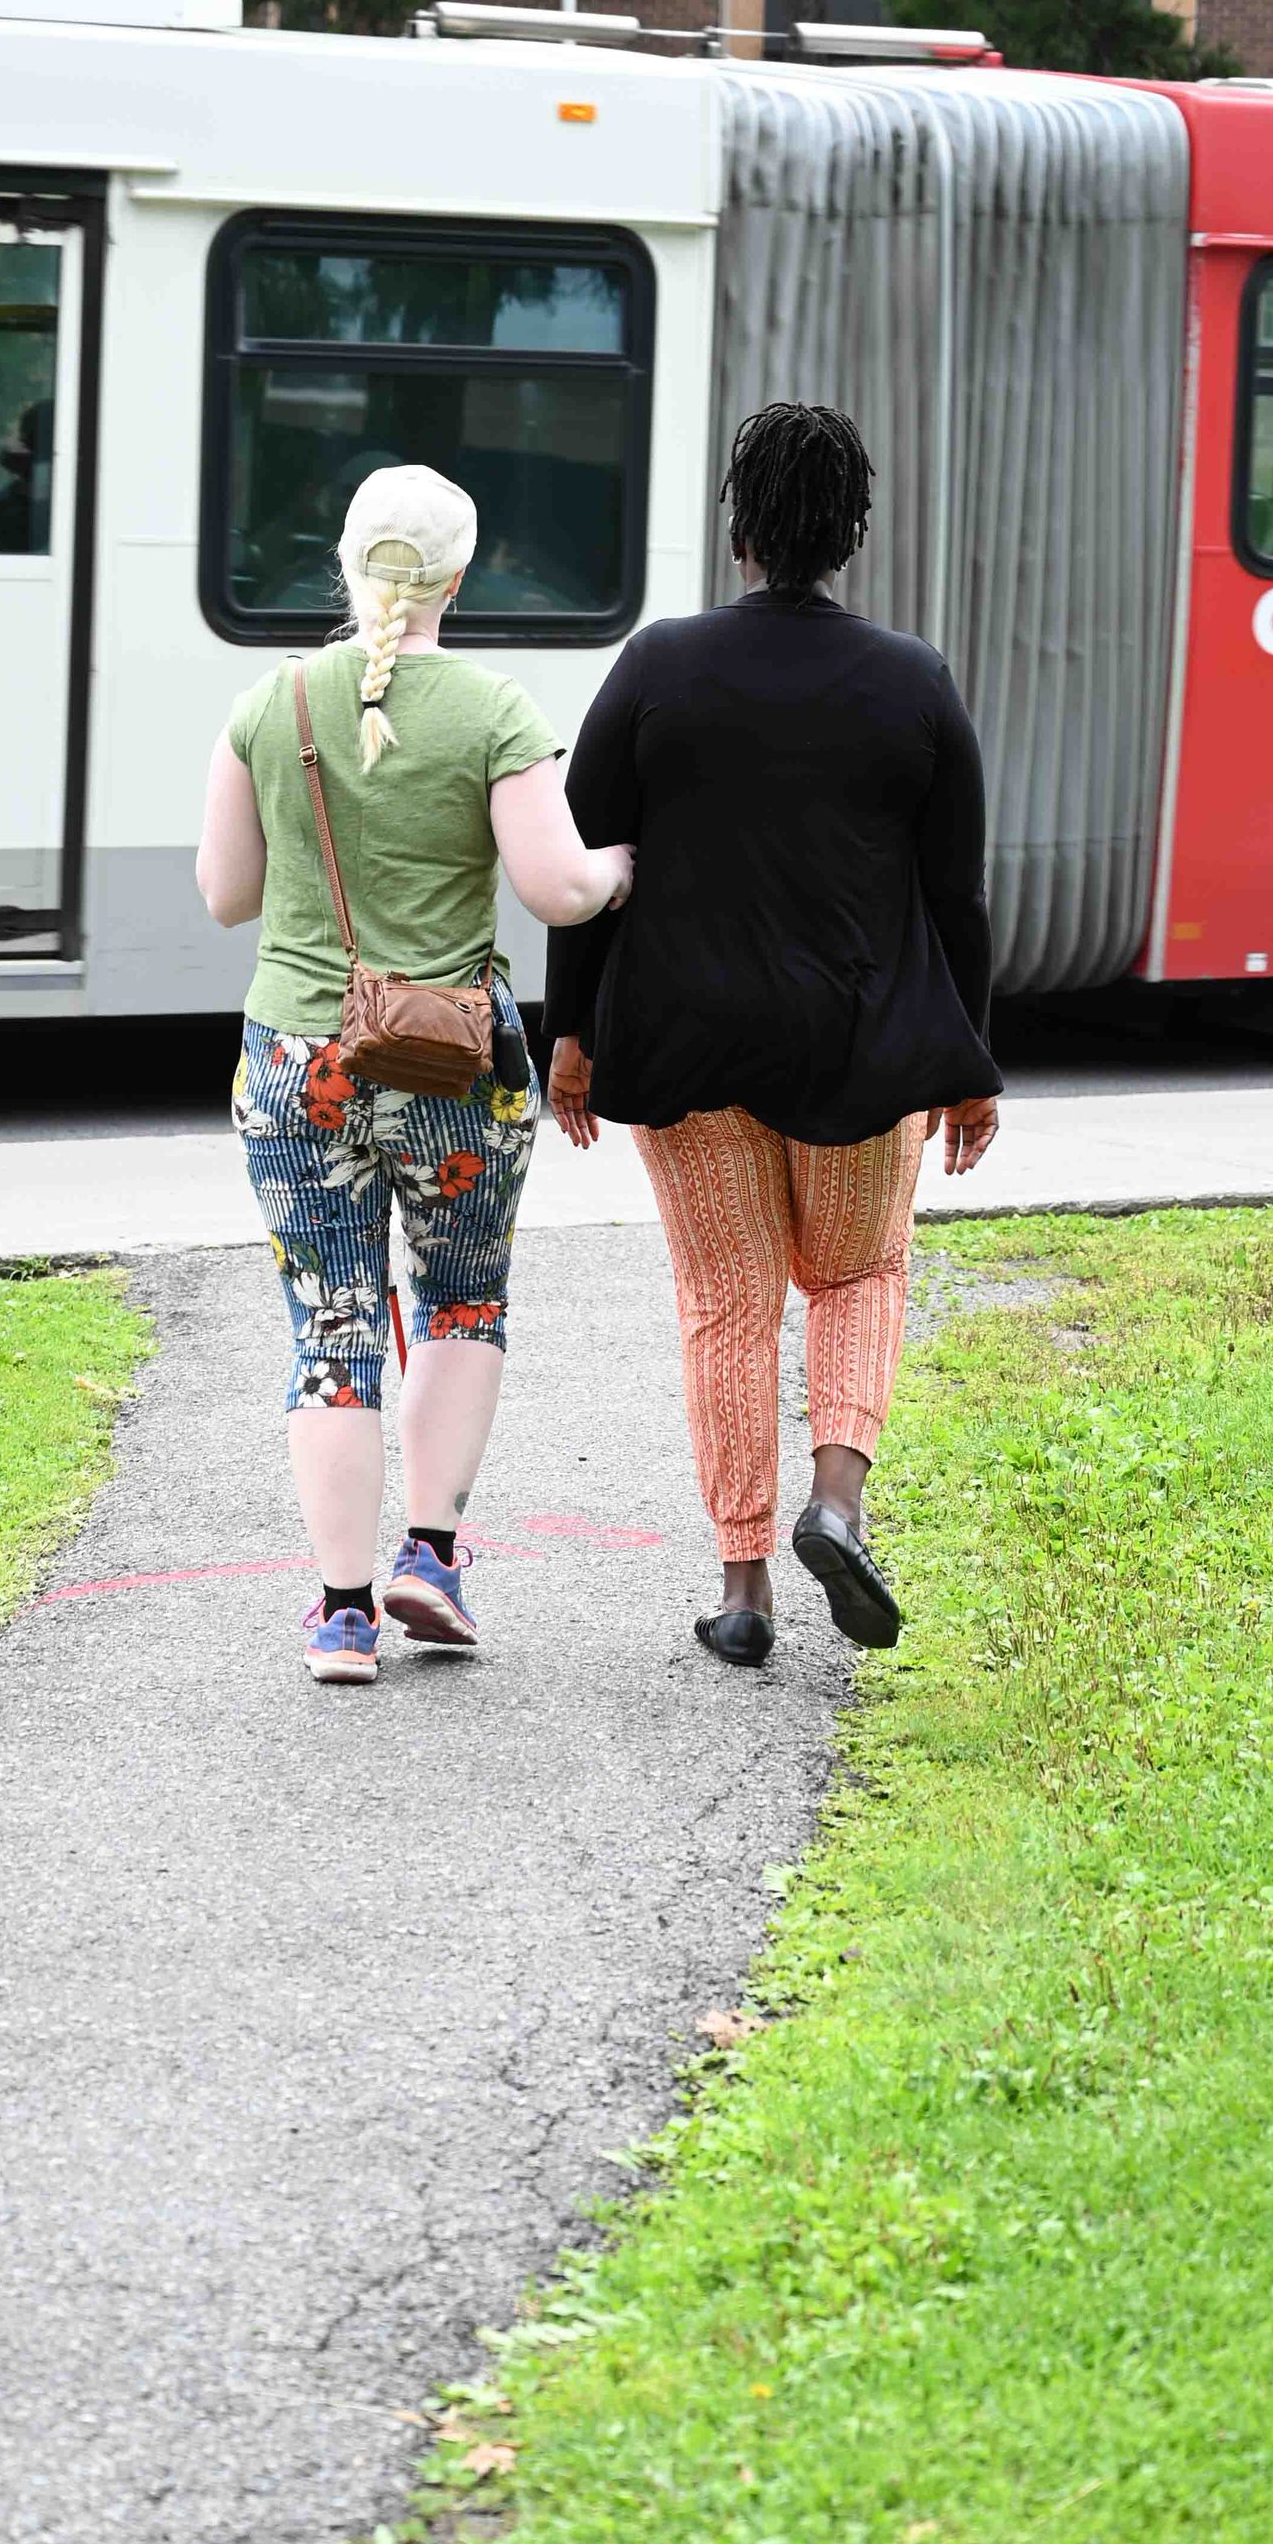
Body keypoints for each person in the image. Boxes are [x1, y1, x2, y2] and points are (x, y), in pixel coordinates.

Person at [544, 401, 1001, 1669]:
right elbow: (957, 893)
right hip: (863, 1049)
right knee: (857, 1275)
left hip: (682, 1046)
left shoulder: (657, 663)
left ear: (739, 529)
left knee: (725, 1304)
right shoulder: (913, 680)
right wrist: (969, 1062)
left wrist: (569, 1034)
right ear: (849, 533)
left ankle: (744, 1589)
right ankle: (836, 1505)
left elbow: (588, 864)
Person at [196, 463, 632, 1686]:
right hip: (453, 1065)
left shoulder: (267, 707)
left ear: (344, 565)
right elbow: (558, 888)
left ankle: (341, 1616)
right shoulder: (495, 710)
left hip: (295, 1059)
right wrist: (617, 869)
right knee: (459, 1300)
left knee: (330, 1328)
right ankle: (429, 1557)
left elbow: (226, 897)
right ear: (459, 575)